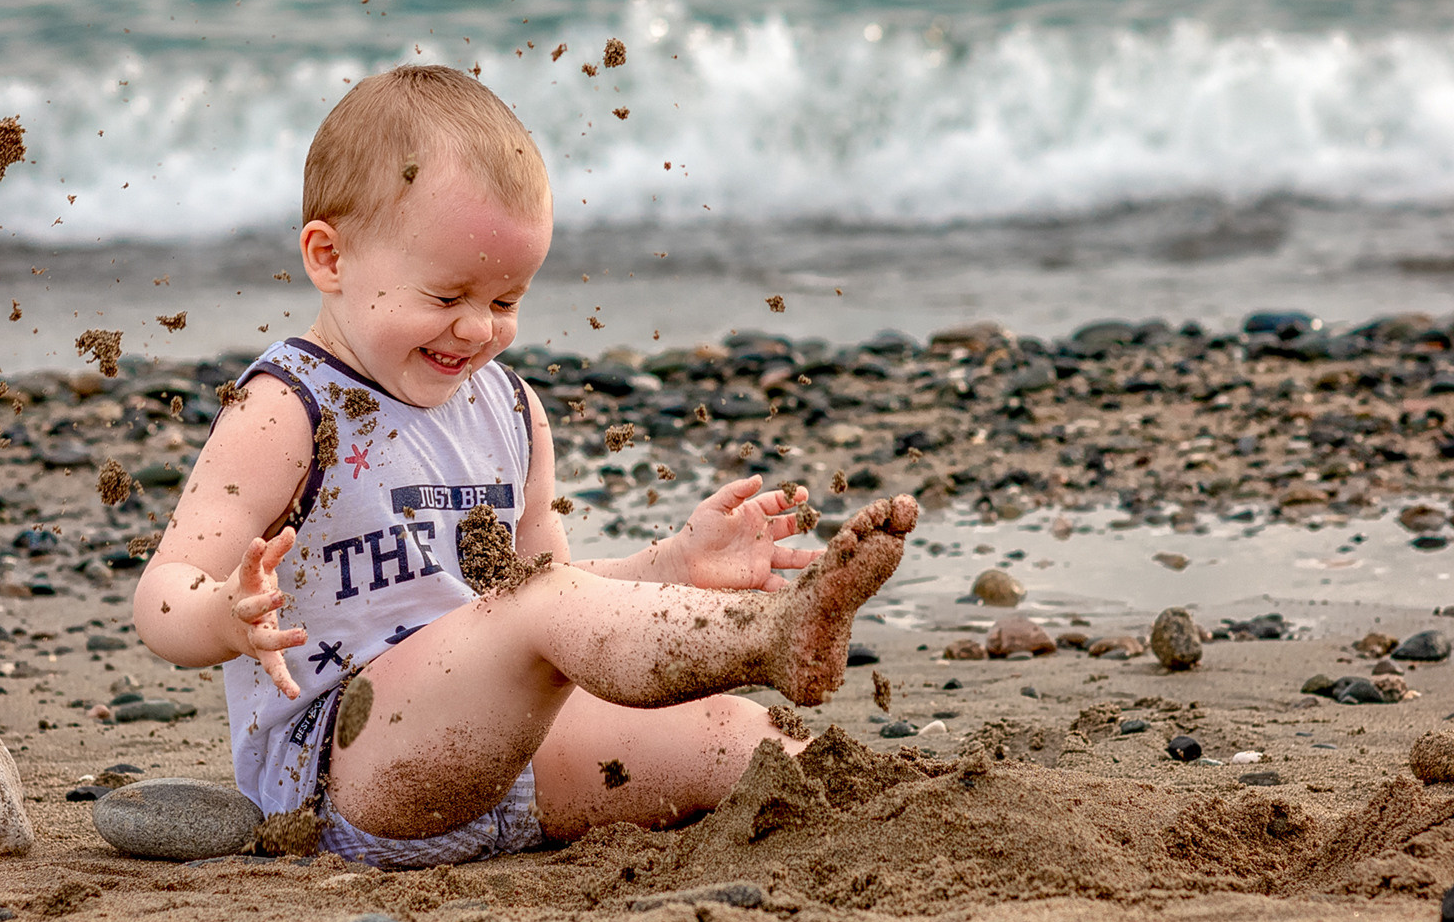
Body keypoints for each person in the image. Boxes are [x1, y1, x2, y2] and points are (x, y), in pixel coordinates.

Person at [132, 64, 915, 866]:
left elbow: (556, 614)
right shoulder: (285, 407)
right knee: (538, 608)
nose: (477, 329)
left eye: (506, 301)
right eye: (445, 298)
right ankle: (772, 636)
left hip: (512, 761)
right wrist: (224, 615)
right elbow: (161, 595)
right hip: (347, 771)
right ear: (330, 257)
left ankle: (893, 799)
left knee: (745, 737)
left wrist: (671, 565)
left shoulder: (508, 409)